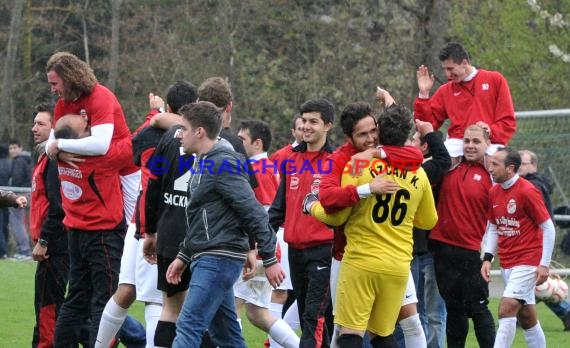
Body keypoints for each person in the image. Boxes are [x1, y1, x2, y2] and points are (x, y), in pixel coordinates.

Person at [308, 104, 438, 348]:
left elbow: (335, 216)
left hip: (360, 259)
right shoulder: (416, 171)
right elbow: (429, 220)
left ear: (381, 129)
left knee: (350, 332)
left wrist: (311, 207)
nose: (371, 139)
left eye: (373, 131)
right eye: (362, 134)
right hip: (397, 261)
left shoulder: (358, 165)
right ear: (349, 137)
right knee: (382, 333)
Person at [165, 101, 284, 348]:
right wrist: (184, 255)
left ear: (199, 132)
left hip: (217, 258)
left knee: (188, 326)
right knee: (226, 335)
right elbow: (202, 216)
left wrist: (269, 258)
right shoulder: (204, 161)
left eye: (183, 129)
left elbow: (253, 212)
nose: (179, 135)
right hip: (211, 255)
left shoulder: (223, 162)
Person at [95, 84, 190, 348]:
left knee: (125, 292)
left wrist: (155, 115)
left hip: (138, 221)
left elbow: (132, 154)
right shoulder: (194, 139)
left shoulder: (150, 133)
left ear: (169, 107)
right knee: (156, 300)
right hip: (161, 224)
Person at [51, 114, 126, 347]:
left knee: (75, 298)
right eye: (87, 127)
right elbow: (133, 141)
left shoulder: (61, 158)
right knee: (105, 302)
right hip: (103, 236)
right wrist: (155, 113)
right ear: (77, 140)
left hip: (75, 232)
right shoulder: (101, 158)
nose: (92, 126)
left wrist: (54, 146)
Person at [269, 98, 336, 347]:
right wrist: (260, 244)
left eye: (313, 122)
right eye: (304, 121)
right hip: (294, 252)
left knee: (313, 317)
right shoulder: (290, 160)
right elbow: (277, 210)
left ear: (327, 125)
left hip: (323, 252)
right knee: (320, 319)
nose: (307, 126)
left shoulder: (336, 160)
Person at [45, 51, 140, 227]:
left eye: (54, 84)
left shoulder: (100, 96)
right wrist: (58, 153)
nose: (52, 89)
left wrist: (61, 145)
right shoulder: (62, 105)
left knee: (134, 226)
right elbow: (49, 146)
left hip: (124, 168)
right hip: (95, 172)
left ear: (69, 78)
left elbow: (100, 145)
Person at [429, 124, 496, 348]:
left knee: (478, 308)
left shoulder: (492, 176)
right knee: (453, 309)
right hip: (443, 248)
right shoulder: (449, 167)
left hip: (472, 252)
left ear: (487, 144)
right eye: (467, 140)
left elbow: (495, 222)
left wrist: (488, 255)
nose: (470, 145)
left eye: (476, 141)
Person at [481, 147, 555, 347]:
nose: (490, 167)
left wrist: (544, 264)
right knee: (528, 319)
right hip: (507, 262)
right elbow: (494, 228)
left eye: (496, 164)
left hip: (528, 261)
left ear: (511, 169)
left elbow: (548, 227)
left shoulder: (527, 190)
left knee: (506, 309)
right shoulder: (494, 191)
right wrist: (488, 258)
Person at [235, 120, 300, 348]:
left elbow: (261, 214)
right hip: (267, 249)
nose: (237, 143)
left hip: (257, 250)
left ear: (257, 143)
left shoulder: (257, 169)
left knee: (230, 307)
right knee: (257, 313)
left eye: (242, 139)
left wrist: (253, 248)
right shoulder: (269, 167)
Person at [414, 42, 516, 159]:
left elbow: (508, 122)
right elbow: (425, 125)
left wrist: (490, 131)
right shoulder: (446, 90)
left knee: (499, 164)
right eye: (445, 69)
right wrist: (423, 94)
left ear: (464, 63)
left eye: (450, 69)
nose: (447, 74)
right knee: (437, 164)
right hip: (457, 144)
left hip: (489, 143)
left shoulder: (494, 80)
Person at [401, 124, 450, 348]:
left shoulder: (424, 170)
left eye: (413, 140)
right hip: (411, 249)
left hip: (427, 251)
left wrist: (429, 130)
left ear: (425, 146)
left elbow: (443, 159)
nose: (408, 143)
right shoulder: (408, 168)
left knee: (430, 312)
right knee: (411, 312)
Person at [28, 103, 68, 348]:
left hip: (53, 248)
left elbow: (58, 207)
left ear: (55, 128)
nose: (34, 128)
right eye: (34, 123)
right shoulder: (43, 157)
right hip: (52, 247)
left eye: (41, 123)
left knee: (48, 309)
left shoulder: (53, 160)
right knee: (54, 307)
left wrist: (43, 241)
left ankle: (107, 336)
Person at [518, 149, 570, 331]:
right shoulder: (526, 184)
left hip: (534, 242)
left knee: (533, 283)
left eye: (523, 163)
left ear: (533, 165)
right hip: (528, 242)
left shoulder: (534, 186)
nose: (518, 167)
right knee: (531, 284)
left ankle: (565, 311)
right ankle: (520, 315)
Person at [8, 139, 32, 260]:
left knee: (17, 222)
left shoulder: (19, 161)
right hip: (28, 194)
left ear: (20, 148)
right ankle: (24, 249)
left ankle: (24, 250)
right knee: (23, 223)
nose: (12, 150)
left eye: (14, 148)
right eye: (10, 148)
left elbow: (17, 178)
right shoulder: (27, 160)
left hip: (20, 194)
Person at [0, 143, 13, 259]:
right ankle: (4, 251)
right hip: (8, 196)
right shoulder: (10, 164)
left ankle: (2, 250)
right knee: (4, 224)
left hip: (1, 195)